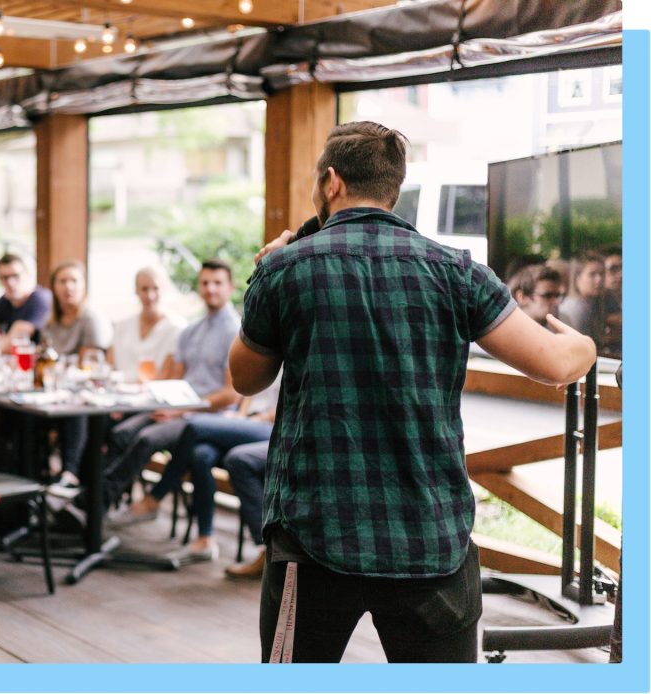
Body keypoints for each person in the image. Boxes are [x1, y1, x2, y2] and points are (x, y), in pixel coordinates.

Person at [233, 121, 597, 663]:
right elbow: (553, 365)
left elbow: (245, 377)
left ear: (331, 182)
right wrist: (586, 342)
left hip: (313, 538)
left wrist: (265, 276)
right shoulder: (456, 271)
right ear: (393, 189)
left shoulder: (286, 267)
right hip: (429, 538)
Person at [94, 259, 241, 516]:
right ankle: (102, 501)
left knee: (145, 438)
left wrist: (180, 411)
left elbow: (231, 394)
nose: (211, 289)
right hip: (177, 409)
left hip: (207, 416)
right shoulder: (191, 330)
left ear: (231, 287)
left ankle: (96, 504)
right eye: (205, 283)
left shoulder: (235, 332)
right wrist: (167, 406)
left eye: (218, 283)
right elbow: (174, 379)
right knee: (121, 432)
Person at [126, 377, 279, 565]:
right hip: (242, 422)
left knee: (194, 427)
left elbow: (284, 409)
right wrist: (239, 415)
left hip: (265, 427)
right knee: (201, 455)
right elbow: (245, 394)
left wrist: (244, 419)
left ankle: (155, 496)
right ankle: (205, 540)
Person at [42, 260, 112, 487]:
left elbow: (87, 365)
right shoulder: (50, 322)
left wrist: (58, 366)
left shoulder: (91, 319)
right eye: (63, 281)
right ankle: (36, 475)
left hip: (86, 396)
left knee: (75, 408)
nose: (68, 287)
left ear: (84, 286)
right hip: (55, 392)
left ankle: (70, 474)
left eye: (74, 281)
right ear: (54, 287)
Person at [108, 266, 185, 382]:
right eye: (144, 289)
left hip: (153, 394)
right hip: (119, 391)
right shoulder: (122, 326)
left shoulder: (176, 327)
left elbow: (167, 375)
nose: (150, 296)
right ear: (136, 291)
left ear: (163, 290)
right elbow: (110, 365)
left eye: (156, 288)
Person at [0, 253, 52, 346]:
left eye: (15, 275)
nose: (10, 282)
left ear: (27, 274)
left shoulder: (39, 299)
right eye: (5, 278)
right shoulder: (6, 300)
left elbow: (11, 345)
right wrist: (2, 340)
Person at [558, 252, 606, 347]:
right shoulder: (575, 309)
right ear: (577, 278)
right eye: (592, 274)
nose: (599, 279)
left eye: (602, 274)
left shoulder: (591, 304)